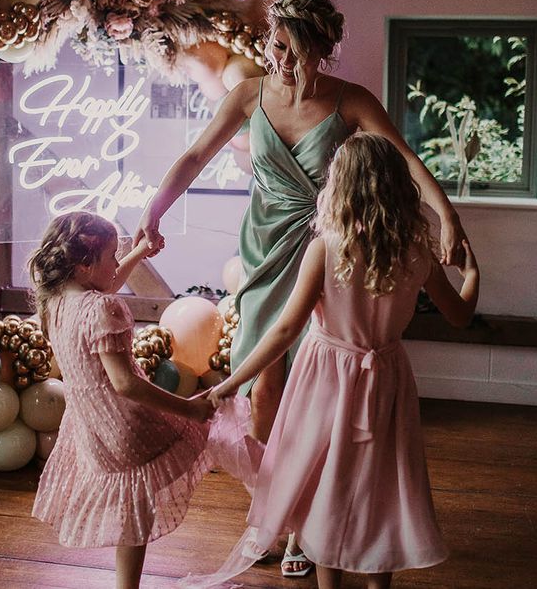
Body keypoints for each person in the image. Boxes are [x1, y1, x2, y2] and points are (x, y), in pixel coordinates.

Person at [136, 0, 467, 575]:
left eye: (290, 49)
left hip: (327, 243)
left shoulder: (351, 101)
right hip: (265, 247)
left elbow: (405, 161)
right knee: (265, 387)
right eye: (273, 45)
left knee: (316, 397)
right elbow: (194, 156)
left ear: (319, 49)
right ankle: (279, 515)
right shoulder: (248, 95)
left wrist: (447, 215)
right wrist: (155, 209)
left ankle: (309, 529)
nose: (278, 60)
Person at [180, 133, 479, 589]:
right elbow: (459, 316)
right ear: (398, 187)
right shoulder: (417, 253)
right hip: (386, 381)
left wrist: (228, 383)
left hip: (325, 380)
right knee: (381, 483)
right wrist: (473, 274)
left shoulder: (326, 248)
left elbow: (283, 330)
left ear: (339, 187)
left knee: (324, 483)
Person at [28, 211, 261, 589]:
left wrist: (138, 252)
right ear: (85, 264)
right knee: (212, 428)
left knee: (131, 511)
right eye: (111, 256)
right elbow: (125, 384)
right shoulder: (103, 309)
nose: (117, 265)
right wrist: (189, 407)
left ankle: (127, 586)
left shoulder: (54, 301)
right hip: (125, 422)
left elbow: (104, 284)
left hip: (91, 425)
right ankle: (278, 512)